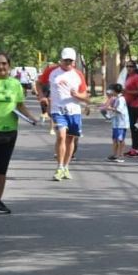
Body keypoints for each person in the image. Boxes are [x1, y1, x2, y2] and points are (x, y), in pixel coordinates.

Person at [0, 52, 38, 214]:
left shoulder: (15, 84)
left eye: (4, 63)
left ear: (9, 66)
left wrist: (31, 118)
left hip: (10, 132)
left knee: (2, 169)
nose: (1, 66)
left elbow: (20, 105)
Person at [49, 48, 89, 181]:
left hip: (74, 111)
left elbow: (86, 96)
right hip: (58, 110)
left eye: (70, 61)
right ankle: (59, 167)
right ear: (61, 60)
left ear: (74, 62)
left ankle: (66, 167)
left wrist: (77, 95)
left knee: (71, 139)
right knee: (61, 135)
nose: (67, 63)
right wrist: (42, 96)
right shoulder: (52, 72)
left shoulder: (78, 74)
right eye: (65, 60)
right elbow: (39, 83)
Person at [122, 61, 138, 157]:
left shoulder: (137, 77)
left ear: (135, 67)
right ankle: (133, 149)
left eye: (131, 66)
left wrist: (127, 91)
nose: (129, 68)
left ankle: (136, 150)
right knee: (132, 127)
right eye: (127, 66)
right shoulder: (128, 77)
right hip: (129, 105)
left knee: (135, 128)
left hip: (136, 105)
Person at [103, 84, 129, 162]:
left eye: (112, 90)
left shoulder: (121, 99)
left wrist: (110, 108)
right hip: (116, 123)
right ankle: (115, 154)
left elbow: (119, 109)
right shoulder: (117, 98)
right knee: (115, 139)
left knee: (120, 139)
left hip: (121, 123)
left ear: (114, 91)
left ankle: (120, 155)